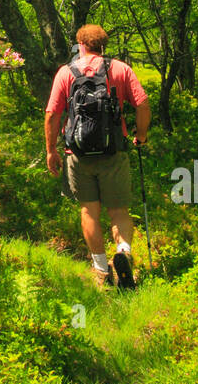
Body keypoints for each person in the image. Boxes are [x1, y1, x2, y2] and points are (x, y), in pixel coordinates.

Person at [45, 23, 151, 288]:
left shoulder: (66, 72)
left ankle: (102, 270)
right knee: (119, 211)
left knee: (89, 211)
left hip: (78, 154)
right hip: (113, 151)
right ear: (104, 45)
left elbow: (52, 114)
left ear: (81, 45)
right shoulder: (120, 69)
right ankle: (123, 252)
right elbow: (143, 103)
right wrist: (141, 134)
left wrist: (50, 150)